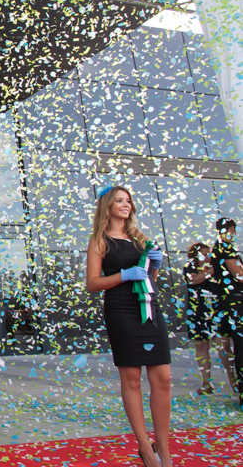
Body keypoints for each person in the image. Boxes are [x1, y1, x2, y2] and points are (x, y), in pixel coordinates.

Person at [85, 185, 170, 467]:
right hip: (120, 311)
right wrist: (123, 274)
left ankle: (163, 447)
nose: (126, 205)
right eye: (119, 201)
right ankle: (145, 449)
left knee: (163, 379)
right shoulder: (99, 240)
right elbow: (93, 284)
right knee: (132, 379)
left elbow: (150, 281)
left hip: (149, 309)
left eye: (128, 201)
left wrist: (154, 267)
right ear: (108, 206)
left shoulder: (140, 238)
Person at [184, 241, 235, 395]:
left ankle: (235, 382)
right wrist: (212, 270)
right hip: (197, 312)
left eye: (209, 254)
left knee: (224, 346)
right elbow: (194, 280)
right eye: (204, 254)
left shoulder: (220, 268)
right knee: (201, 346)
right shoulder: (190, 267)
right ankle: (206, 383)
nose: (207, 257)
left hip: (218, 312)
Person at [210, 217, 243, 407]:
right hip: (234, 304)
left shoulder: (218, 247)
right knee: (240, 345)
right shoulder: (225, 247)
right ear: (231, 229)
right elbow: (238, 275)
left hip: (227, 303)